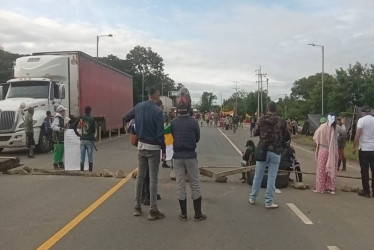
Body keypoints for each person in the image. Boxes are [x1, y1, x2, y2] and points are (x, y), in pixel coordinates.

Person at [124, 86, 166, 220]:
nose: (159, 97)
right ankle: (153, 210)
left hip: (141, 146)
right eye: (159, 95)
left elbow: (125, 117)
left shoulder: (139, 106)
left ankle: (137, 206)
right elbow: (160, 134)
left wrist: (134, 130)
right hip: (153, 148)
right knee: (153, 179)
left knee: (140, 177)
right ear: (155, 95)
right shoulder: (158, 112)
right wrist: (163, 149)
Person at [171, 88, 206, 222]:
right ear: (189, 104)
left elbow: (173, 136)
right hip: (191, 156)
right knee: (195, 184)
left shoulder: (173, 123)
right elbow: (197, 139)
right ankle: (197, 214)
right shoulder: (194, 122)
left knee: (180, 185)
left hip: (178, 157)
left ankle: (183, 214)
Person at [249, 102, 289, 209]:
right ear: (276, 109)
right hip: (276, 151)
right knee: (272, 177)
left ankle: (253, 197)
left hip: (263, 150)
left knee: (258, 175)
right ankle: (269, 201)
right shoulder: (281, 121)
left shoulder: (261, 119)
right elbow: (286, 135)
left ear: (267, 109)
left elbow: (255, 132)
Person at [313, 114, 338, 195]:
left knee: (321, 169)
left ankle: (320, 188)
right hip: (333, 150)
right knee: (331, 168)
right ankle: (331, 188)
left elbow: (316, 136)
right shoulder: (334, 128)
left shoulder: (322, 127)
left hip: (323, 150)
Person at [352, 105, 374, 198]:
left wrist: (354, 146)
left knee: (364, 170)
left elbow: (358, 134)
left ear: (363, 112)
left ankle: (366, 191)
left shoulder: (362, 120)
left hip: (364, 148)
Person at [73, 106, 96, 172]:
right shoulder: (92, 119)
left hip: (82, 139)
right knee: (90, 157)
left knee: (82, 157)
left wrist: (77, 134)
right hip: (89, 140)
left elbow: (74, 125)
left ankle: (82, 170)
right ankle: (90, 171)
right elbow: (94, 130)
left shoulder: (81, 118)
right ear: (90, 111)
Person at [52, 105, 67, 170]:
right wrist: (60, 128)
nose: (64, 112)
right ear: (61, 111)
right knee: (57, 150)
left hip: (61, 137)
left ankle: (60, 162)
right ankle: (55, 163)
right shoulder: (57, 118)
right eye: (64, 111)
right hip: (57, 137)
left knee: (61, 150)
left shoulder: (61, 118)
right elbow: (53, 127)